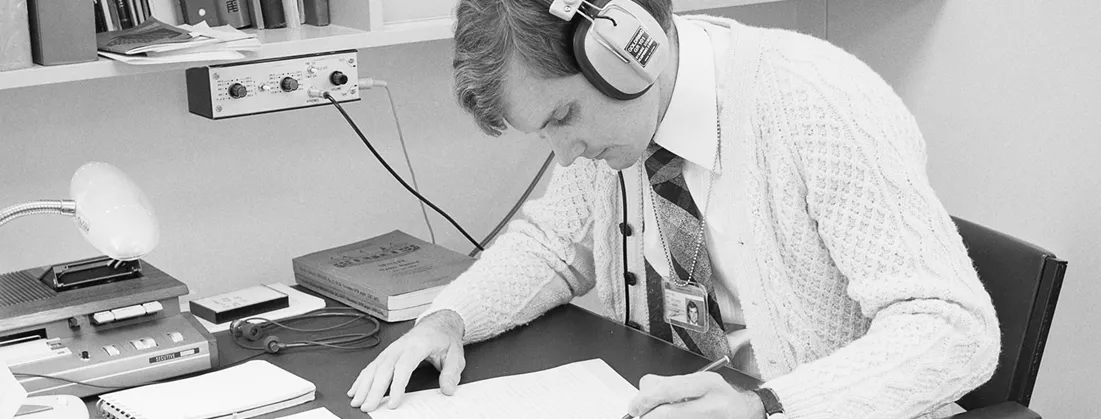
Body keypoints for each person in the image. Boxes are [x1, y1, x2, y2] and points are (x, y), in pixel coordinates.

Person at [346, 0, 1001, 417]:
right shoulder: (618, 136)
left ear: (630, 50)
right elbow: (552, 245)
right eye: (543, 132)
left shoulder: (813, 100)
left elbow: (952, 329)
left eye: (564, 116)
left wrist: (768, 406)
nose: (565, 154)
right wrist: (448, 320)